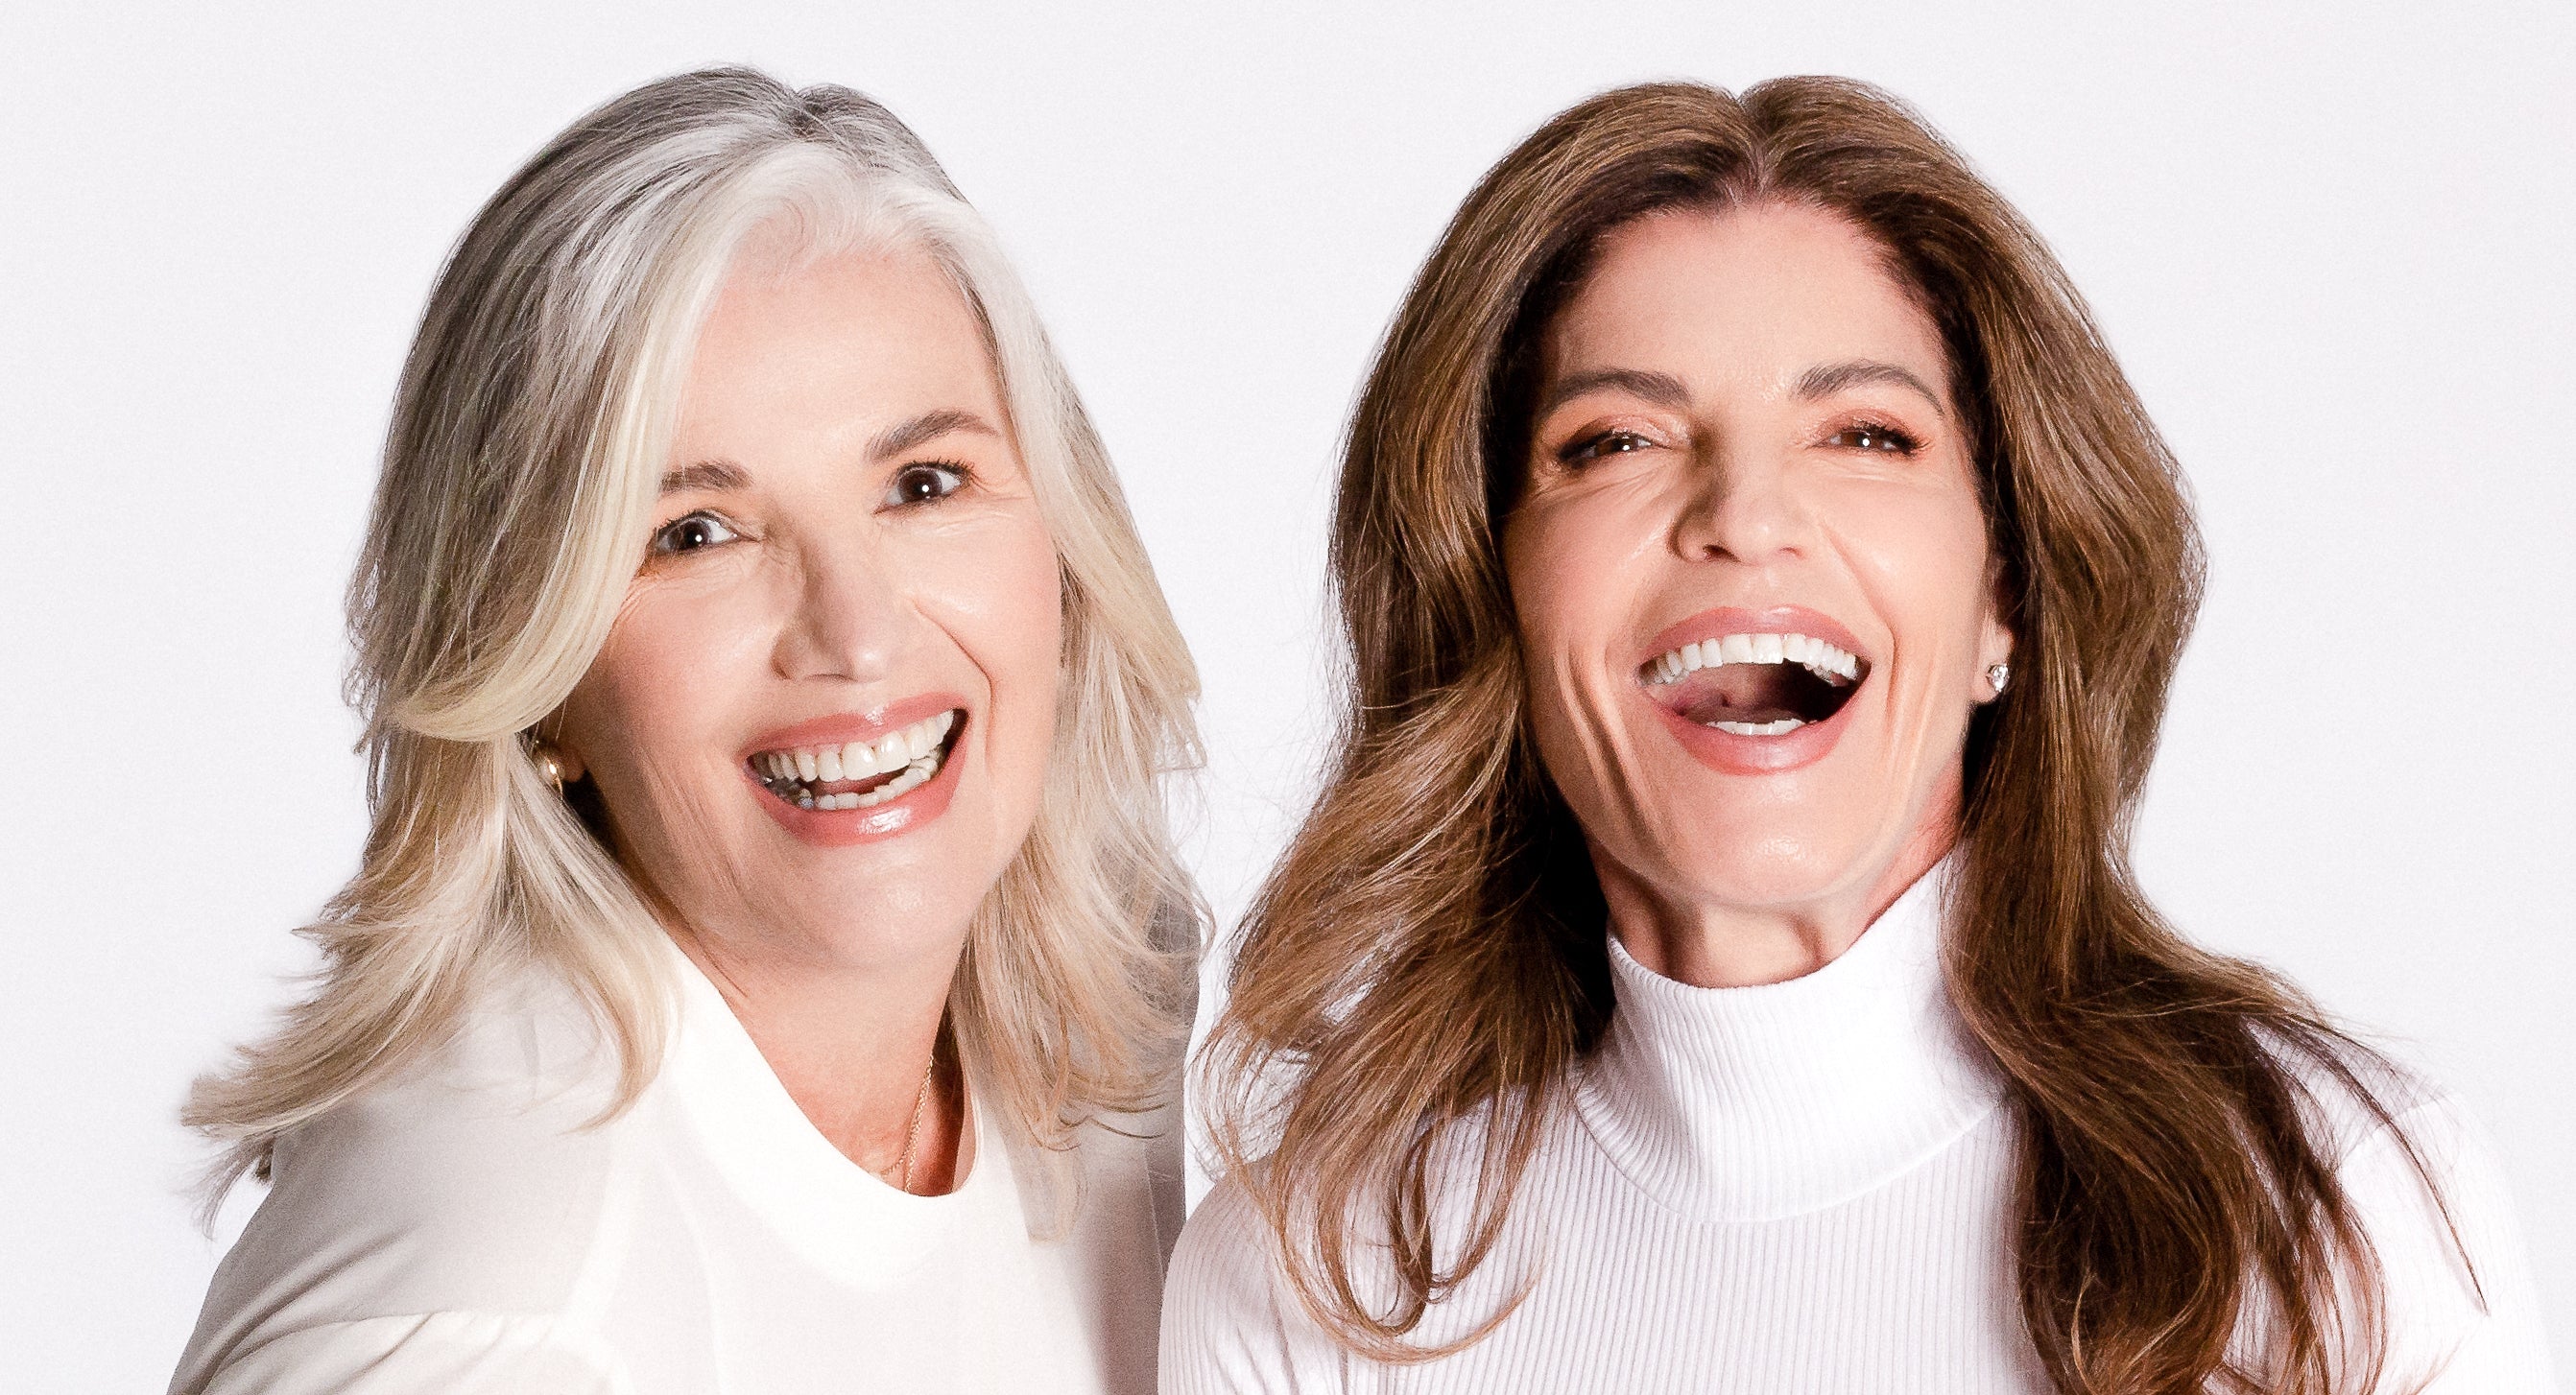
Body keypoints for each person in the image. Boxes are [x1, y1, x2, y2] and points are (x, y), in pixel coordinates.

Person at [1163, 79, 2554, 1394]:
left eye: (1867, 435)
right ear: (1493, 595)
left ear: (2006, 589)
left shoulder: (2331, 1200)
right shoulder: (1310, 1281)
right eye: (1616, 440)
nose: (1747, 514)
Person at [171, 67, 1201, 1394]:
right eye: (695, 533)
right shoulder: (495, 1316)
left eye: (923, 482)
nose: (857, 632)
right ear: (532, 671)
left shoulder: (1096, 1001)